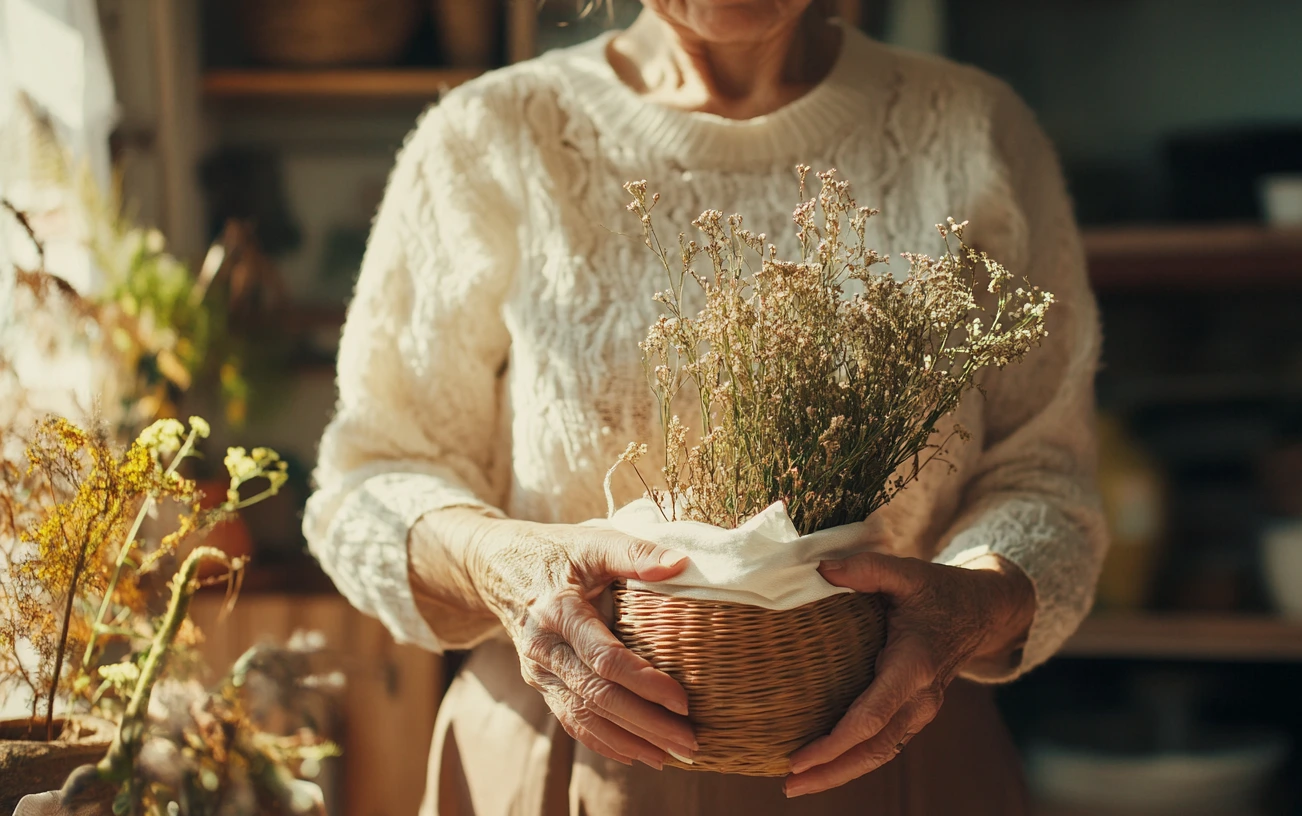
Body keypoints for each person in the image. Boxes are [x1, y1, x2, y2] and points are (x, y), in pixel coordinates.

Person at [302, 1, 1107, 813]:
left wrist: (971, 604)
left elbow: (1043, 478)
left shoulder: (974, 131)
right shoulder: (491, 135)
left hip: (893, 758)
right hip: (567, 763)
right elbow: (369, 483)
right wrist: (499, 565)